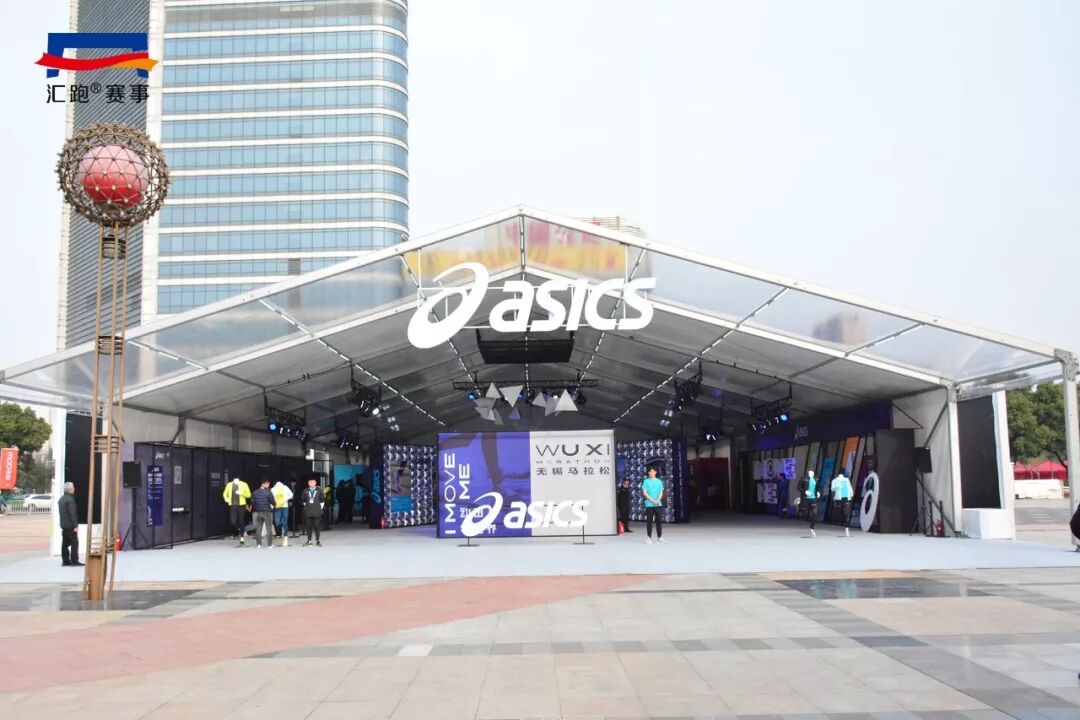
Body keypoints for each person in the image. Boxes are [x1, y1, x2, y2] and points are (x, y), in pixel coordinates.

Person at [222, 477, 252, 546]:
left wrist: (242, 493)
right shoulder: (229, 484)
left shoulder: (244, 484)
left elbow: (249, 495)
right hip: (233, 505)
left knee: (241, 521)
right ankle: (239, 530)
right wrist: (226, 498)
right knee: (233, 521)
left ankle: (242, 538)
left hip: (241, 505)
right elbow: (224, 493)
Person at [58, 482, 82, 567]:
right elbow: (72, 513)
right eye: (73, 488)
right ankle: (74, 560)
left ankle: (65, 561)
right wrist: (75, 525)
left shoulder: (61, 499)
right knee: (74, 543)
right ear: (70, 489)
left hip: (64, 525)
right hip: (70, 525)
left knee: (65, 544)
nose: (74, 489)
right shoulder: (70, 499)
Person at [642, 468, 665, 544]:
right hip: (649, 504)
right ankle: (649, 537)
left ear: (655, 472)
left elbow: (661, 492)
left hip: (658, 504)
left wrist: (658, 500)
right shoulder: (646, 481)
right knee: (649, 521)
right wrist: (652, 500)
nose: (652, 473)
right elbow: (644, 492)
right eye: (650, 472)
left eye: (653, 471)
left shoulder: (659, 481)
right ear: (648, 473)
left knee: (659, 521)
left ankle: (659, 537)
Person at [250, 479, 276, 549]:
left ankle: (258, 544)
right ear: (265, 483)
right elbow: (273, 502)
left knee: (258, 528)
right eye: (268, 484)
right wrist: (273, 505)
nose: (269, 486)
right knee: (268, 528)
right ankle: (269, 545)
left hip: (258, 512)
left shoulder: (255, 492)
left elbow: (252, 502)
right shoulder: (268, 492)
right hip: (267, 512)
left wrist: (257, 507)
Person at [831, 470, 854, 537]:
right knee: (840, 511)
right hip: (839, 498)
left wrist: (851, 494)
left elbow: (850, 488)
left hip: (847, 497)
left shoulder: (847, 480)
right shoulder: (835, 480)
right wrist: (837, 487)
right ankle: (838, 521)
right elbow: (832, 489)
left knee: (847, 513)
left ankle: (847, 529)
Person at [302, 477, 324, 546]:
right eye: (310, 482)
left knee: (317, 525)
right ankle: (309, 541)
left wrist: (320, 509)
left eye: (313, 482)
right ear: (308, 483)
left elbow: (322, 500)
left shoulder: (319, 490)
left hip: (317, 511)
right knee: (308, 526)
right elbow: (303, 500)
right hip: (308, 511)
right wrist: (306, 507)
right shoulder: (305, 491)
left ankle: (317, 540)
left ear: (315, 483)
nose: (311, 483)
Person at [271, 479, 293, 547]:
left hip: (285, 507)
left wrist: (284, 500)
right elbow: (271, 498)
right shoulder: (273, 489)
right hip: (277, 507)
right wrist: (272, 506)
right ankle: (282, 524)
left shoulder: (285, 487)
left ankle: (285, 538)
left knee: (285, 523)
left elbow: (291, 495)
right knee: (277, 522)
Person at [803, 469, 820, 538]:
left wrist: (818, 492)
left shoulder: (816, 479)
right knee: (804, 512)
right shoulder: (804, 478)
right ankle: (798, 503)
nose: (811, 473)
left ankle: (812, 527)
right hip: (806, 498)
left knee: (815, 513)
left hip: (813, 498)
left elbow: (817, 487)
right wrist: (805, 491)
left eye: (812, 472)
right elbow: (798, 487)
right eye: (810, 472)